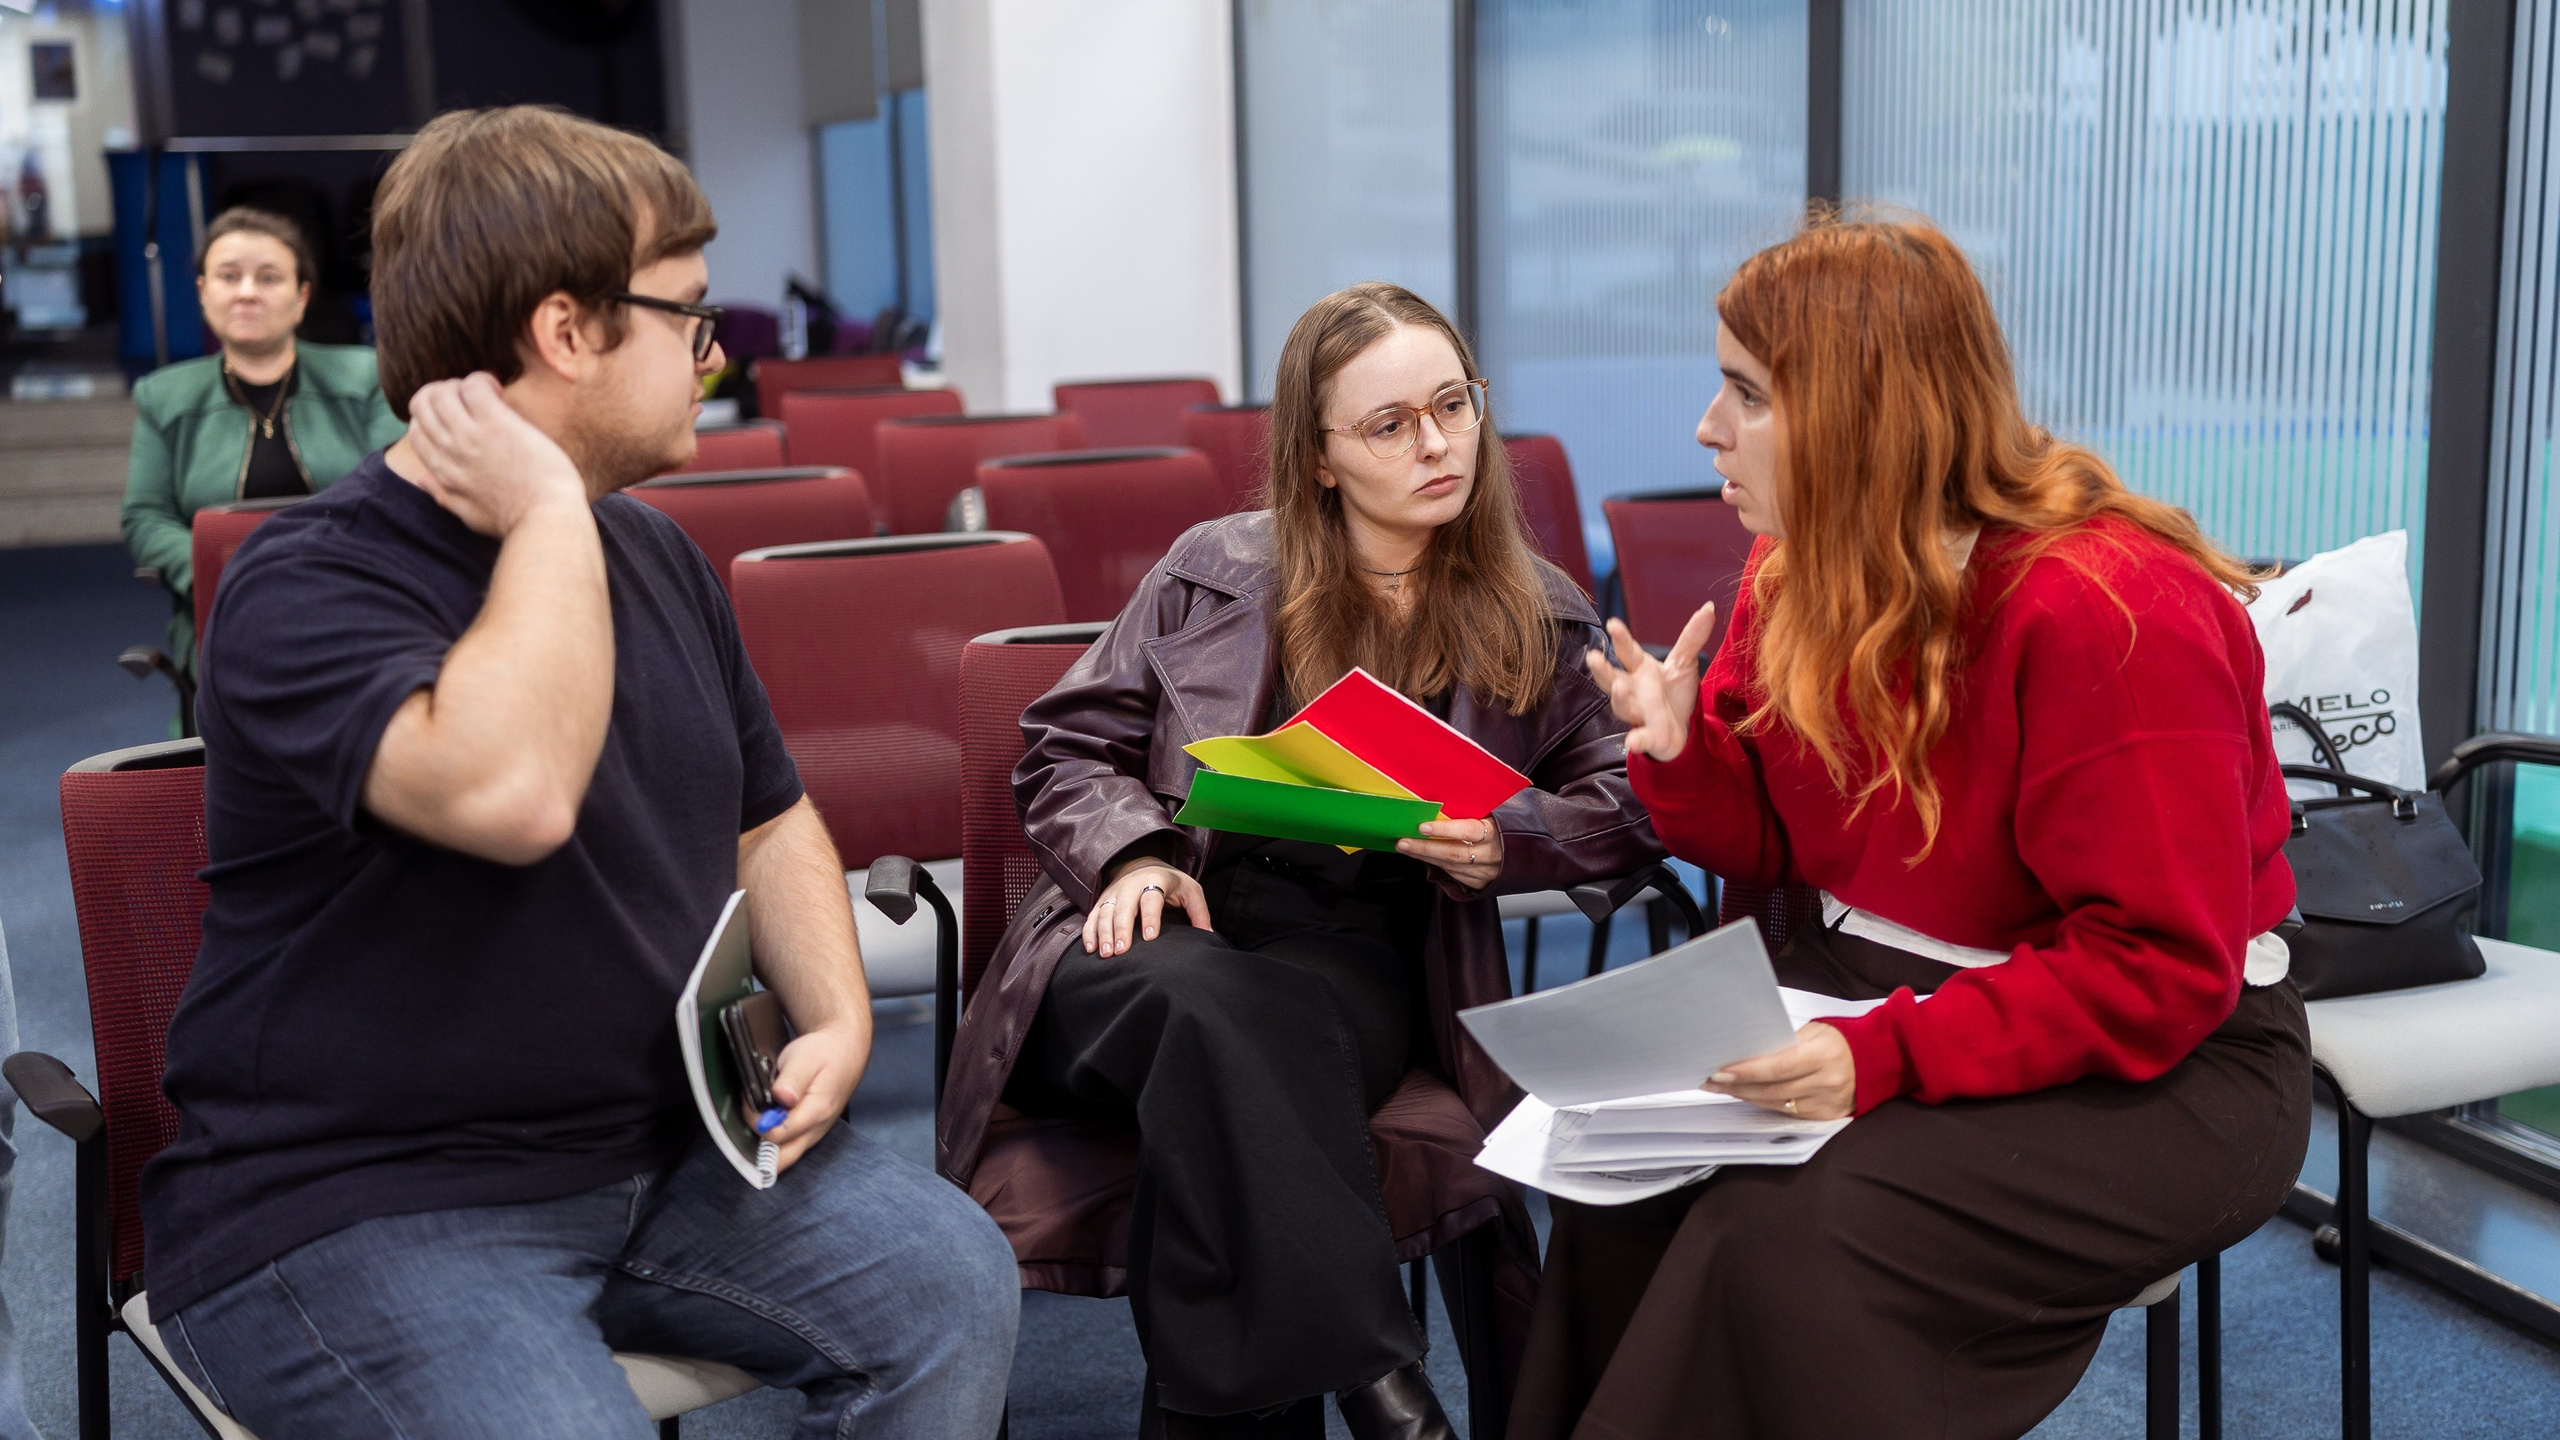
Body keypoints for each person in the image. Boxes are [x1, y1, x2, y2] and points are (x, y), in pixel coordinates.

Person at [139, 107, 1018, 1439]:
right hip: (359, 1204)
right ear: (567, 331)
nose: (714, 361)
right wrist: (547, 505)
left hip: (657, 1161)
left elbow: (769, 818)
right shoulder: (305, 579)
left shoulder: (655, 555)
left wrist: (835, 1017)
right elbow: (514, 794)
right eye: (692, 320)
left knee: (951, 1285)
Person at [1517, 213, 2311, 1439]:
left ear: (1856, 415)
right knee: (1617, 1184)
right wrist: (1679, 755)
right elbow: (1780, 840)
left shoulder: (2106, 611)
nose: (1705, 430)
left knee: (1784, 1238)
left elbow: (2158, 971)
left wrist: (1883, 1057)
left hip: (2174, 1068)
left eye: (1743, 394)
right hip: (1870, 997)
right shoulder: (1801, 571)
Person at [938, 282, 1664, 1440]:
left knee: (1247, 1061)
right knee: (1211, 1010)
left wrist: (1507, 840)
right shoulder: (1212, 571)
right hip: (1152, 937)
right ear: (1318, 457)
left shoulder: (1540, 613)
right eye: (1388, 424)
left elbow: (1631, 794)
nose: (1435, 444)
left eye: (1452, 406)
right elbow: (1063, 746)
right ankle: (1380, 1372)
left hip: (1353, 969)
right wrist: (1131, 853)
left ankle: (1366, 1384)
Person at [122, 206, 405, 685]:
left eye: (269, 277)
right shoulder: (162, 396)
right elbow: (145, 517)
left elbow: (396, 494)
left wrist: (311, 569)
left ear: (302, 296)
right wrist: (216, 568)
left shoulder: (367, 377)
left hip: (351, 599)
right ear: (202, 292)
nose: (247, 292)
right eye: (229, 276)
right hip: (226, 607)